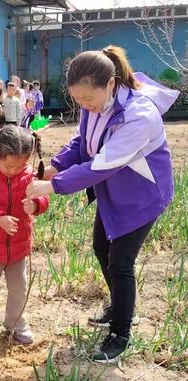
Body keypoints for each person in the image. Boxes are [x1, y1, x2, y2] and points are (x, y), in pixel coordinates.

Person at [26, 45, 179, 363]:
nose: (84, 106)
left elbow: (104, 164)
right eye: (78, 101)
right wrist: (58, 164)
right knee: (101, 246)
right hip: (114, 190)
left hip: (141, 194)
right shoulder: (94, 103)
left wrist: (53, 184)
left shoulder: (140, 116)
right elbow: (82, 141)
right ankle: (120, 306)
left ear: (110, 84)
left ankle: (121, 332)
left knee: (121, 262)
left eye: (87, 100)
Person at [0, 125, 49, 344]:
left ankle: (16, 322)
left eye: (20, 165)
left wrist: (36, 205)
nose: (14, 170)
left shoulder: (28, 176)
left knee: (19, 288)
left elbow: (43, 199)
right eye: (9, 165)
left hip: (18, 245)